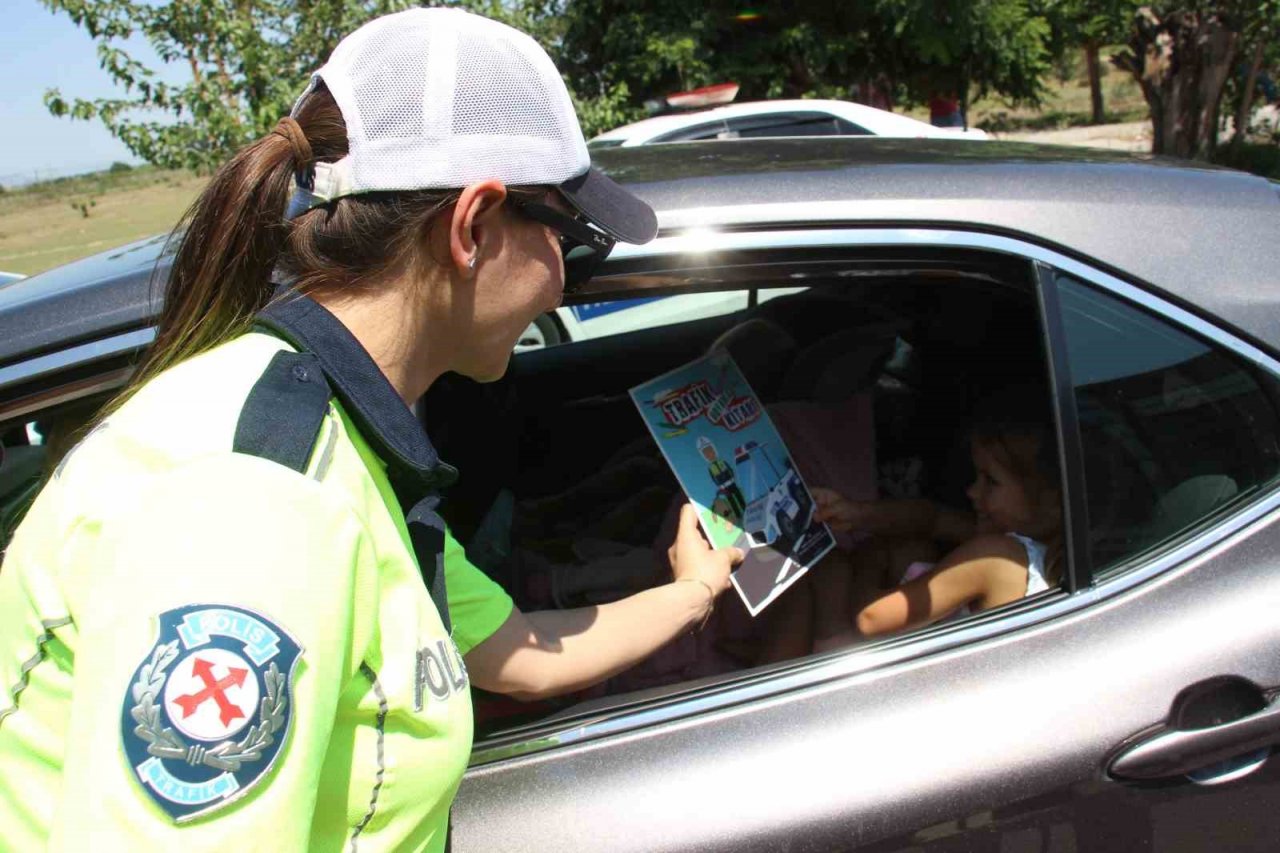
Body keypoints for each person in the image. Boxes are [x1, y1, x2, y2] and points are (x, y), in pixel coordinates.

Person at [0, 9, 742, 850]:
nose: (564, 277)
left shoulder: (347, 433)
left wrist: (698, 588)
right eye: (571, 235)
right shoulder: (257, 501)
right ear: (471, 227)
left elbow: (519, 650)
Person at [778, 390, 1062, 653]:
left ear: (1051, 504)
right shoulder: (1041, 554)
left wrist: (869, 560)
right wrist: (858, 513)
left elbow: (871, 618)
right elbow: (932, 518)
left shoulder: (999, 555)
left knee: (831, 570)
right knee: (911, 547)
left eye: (991, 482)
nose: (972, 491)